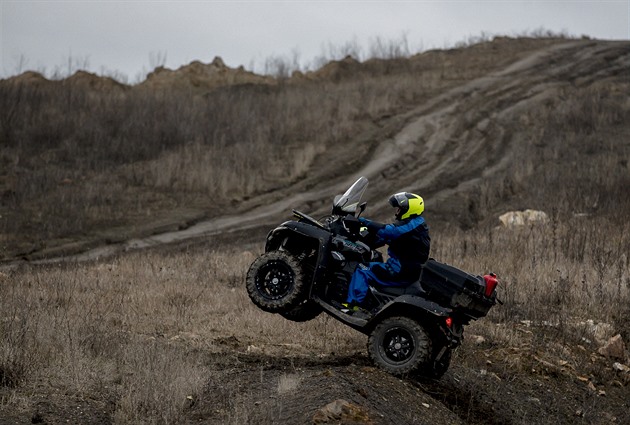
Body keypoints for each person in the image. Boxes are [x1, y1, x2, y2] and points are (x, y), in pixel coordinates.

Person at [343, 192, 430, 312]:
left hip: (401, 270)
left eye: (399, 209)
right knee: (375, 261)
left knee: (363, 269)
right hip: (410, 269)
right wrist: (367, 233)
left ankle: (353, 305)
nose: (396, 212)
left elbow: (389, 232)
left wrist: (364, 222)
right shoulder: (417, 224)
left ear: (408, 209)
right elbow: (389, 238)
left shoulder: (411, 225)